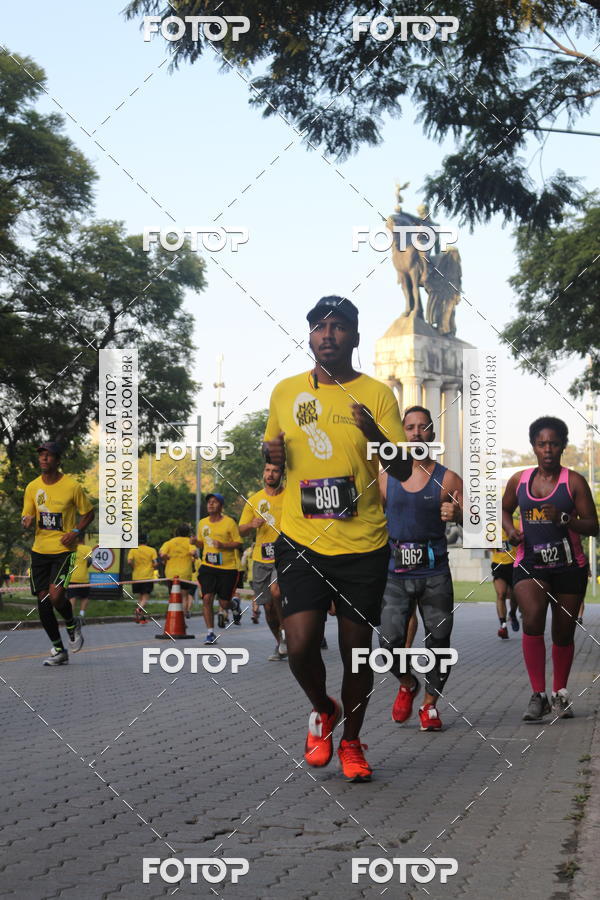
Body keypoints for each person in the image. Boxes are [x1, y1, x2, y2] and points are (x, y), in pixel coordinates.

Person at [264, 296, 412, 782]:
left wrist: (374, 431)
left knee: (357, 652)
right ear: (309, 337)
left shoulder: (377, 394)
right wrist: (271, 464)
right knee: (301, 645)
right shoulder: (285, 392)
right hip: (302, 539)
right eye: (318, 327)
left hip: (363, 542)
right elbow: (274, 463)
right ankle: (323, 708)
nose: (327, 334)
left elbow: (404, 468)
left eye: (338, 326)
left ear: (354, 337)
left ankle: (351, 740)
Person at [502, 416, 598, 721]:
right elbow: (504, 509)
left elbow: (594, 526)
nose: (547, 449)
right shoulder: (519, 480)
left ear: (563, 446)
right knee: (531, 618)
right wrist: (511, 530)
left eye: (554, 443)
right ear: (533, 446)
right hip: (530, 563)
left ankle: (559, 694)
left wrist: (565, 519)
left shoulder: (574, 482)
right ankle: (537, 695)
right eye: (542, 443)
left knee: (563, 632)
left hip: (569, 566)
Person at [379, 405, 463, 732]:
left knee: (439, 643)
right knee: (387, 644)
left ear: (432, 433)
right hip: (395, 574)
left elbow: (476, 524)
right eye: (410, 427)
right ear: (403, 434)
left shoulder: (449, 478)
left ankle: (429, 705)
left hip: (435, 574)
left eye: (422, 427)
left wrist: (458, 515)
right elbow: (371, 525)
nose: (416, 432)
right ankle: (407, 682)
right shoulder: (385, 478)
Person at [21, 441, 94, 665]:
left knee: (55, 596)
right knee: (42, 601)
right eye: (41, 455)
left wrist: (75, 531)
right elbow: (27, 515)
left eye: (49, 455)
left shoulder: (72, 486)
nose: (44, 458)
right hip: (39, 550)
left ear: (58, 460)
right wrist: (26, 520)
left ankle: (72, 624)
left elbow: (89, 513)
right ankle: (59, 649)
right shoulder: (32, 487)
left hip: (64, 550)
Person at [239, 462, 287, 660]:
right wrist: (252, 524)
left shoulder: (290, 496)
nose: (270, 474)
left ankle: (285, 633)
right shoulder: (254, 499)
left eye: (275, 471)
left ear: (281, 474)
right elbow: (241, 529)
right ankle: (280, 643)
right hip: (261, 558)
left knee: (277, 591)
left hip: (284, 555)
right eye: (267, 470)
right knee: (267, 607)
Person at [193, 493, 243, 644]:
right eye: (209, 502)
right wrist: (196, 542)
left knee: (223, 604)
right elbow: (203, 544)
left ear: (221, 506)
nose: (210, 504)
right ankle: (210, 633)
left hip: (227, 569)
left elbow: (238, 543)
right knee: (207, 598)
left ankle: (234, 605)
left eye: (214, 502)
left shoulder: (229, 523)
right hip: (208, 567)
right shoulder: (202, 523)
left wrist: (223, 545)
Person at [159, 524, 196, 618]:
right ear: (188, 533)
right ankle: (182, 618)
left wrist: (166, 557)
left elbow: (162, 554)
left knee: (172, 595)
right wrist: (195, 556)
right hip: (185, 574)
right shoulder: (189, 542)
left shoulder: (169, 542)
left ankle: (171, 617)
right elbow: (193, 552)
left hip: (171, 574)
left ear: (176, 532)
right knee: (184, 596)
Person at [491, 528, 519, 639]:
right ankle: (503, 626)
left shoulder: (514, 523)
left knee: (515, 595)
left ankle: (512, 613)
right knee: (501, 594)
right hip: (498, 564)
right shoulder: (491, 526)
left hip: (514, 564)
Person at [128, 533, 158, 624]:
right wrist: (153, 567)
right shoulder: (152, 550)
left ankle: (140, 618)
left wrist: (134, 567)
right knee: (145, 597)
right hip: (147, 577)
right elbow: (155, 563)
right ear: (146, 540)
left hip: (136, 577)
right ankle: (138, 609)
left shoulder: (133, 550)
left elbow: (129, 561)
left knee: (140, 598)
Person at [66, 532, 93, 623]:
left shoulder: (71, 548)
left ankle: (71, 618)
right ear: (83, 539)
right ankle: (81, 615)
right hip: (84, 578)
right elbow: (89, 561)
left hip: (72, 577)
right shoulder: (87, 548)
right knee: (85, 597)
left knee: (72, 598)